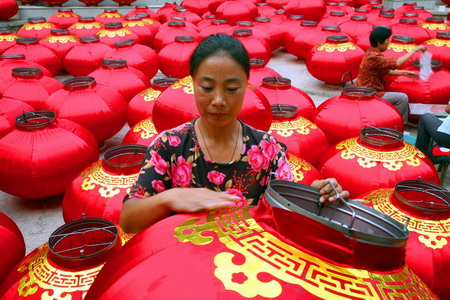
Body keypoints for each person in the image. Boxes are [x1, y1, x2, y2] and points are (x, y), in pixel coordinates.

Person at [120, 34, 349, 233]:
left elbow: (284, 214)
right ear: (193, 84)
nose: (218, 101)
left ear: (246, 86)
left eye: (231, 89)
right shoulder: (169, 145)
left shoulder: (267, 148)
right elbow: (129, 220)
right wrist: (170, 198)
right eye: (207, 88)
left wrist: (313, 198)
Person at [354, 27, 427, 123]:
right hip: (369, 93)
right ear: (379, 42)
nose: (389, 43)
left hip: (366, 89)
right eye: (387, 40)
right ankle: (398, 125)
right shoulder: (374, 56)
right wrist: (414, 50)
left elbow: (384, 71)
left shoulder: (371, 52)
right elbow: (397, 63)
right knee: (402, 98)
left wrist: (404, 73)